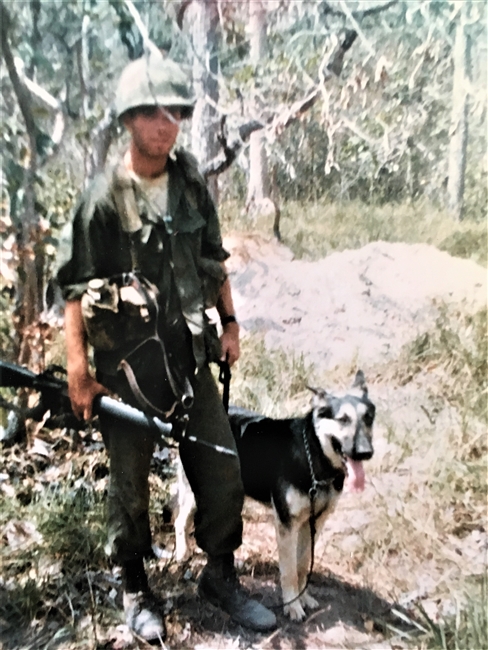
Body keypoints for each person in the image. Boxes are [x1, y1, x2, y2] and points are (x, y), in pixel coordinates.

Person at [56, 53, 277, 643]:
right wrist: (78, 372)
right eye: (151, 112)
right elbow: (73, 291)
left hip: (187, 358)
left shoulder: (189, 183)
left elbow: (215, 259)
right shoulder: (103, 198)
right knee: (129, 485)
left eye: (175, 112)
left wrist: (230, 325)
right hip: (125, 371)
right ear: (130, 118)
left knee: (222, 466)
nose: (165, 123)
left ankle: (220, 576)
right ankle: (135, 588)